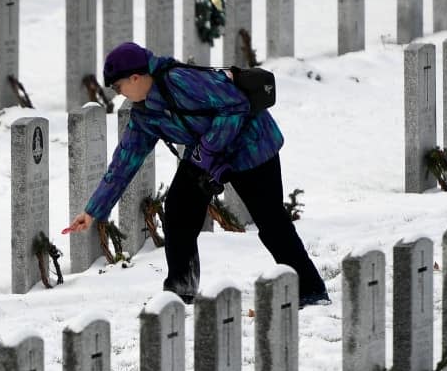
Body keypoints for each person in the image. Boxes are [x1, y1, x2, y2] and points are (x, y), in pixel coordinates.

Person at [64, 42, 330, 307]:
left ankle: (310, 288)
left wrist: (207, 151)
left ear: (135, 77)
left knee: (271, 221)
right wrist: (93, 210)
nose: (117, 93)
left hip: (251, 145)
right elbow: (124, 162)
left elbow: (236, 105)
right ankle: (181, 289)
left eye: (118, 86)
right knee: (179, 211)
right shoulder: (144, 114)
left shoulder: (181, 80)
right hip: (206, 156)